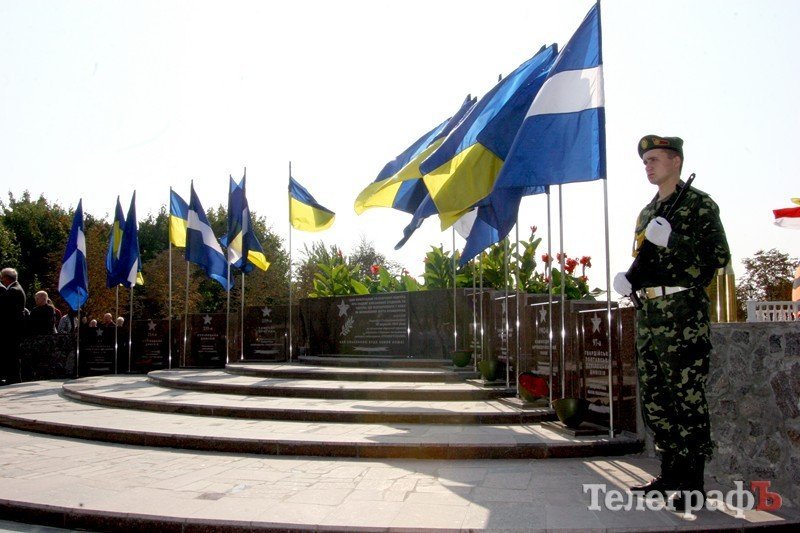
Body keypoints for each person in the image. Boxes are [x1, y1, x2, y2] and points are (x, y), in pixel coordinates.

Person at [613, 135, 730, 508]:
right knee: (657, 399)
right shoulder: (647, 214)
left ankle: (693, 484)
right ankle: (670, 474)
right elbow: (646, 263)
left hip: (682, 315)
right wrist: (630, 281)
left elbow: (718, 257)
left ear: (676, 162)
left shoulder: (697, 204)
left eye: (655, 159)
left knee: (687, 397)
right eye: (645, 160)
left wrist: (675, 241)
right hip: (650, 315)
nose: (648, 166)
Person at [0, 267, 27, 385]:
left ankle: (13, 378)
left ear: (6, 278)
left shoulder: (13, 291)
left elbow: (5, 311)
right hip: (15, 328)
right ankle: (13, 377)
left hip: (11, 329)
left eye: (2, 278)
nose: (1, 280)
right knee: (12, 354)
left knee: (11, 354)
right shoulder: (17, 288)